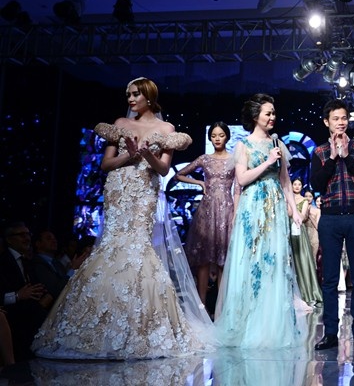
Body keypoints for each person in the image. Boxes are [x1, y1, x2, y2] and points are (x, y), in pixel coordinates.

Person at [31, 77, 216, 360]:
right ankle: (99, 325)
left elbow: (163, 169)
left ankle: (140, 327)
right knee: (111, 245)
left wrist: (146, 154)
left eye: (135, 94)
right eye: (128, 94)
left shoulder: (166, 130)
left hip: (144, 190)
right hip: (118, 189)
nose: (130, 99)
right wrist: (129, 155)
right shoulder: (120, 123)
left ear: (149, 97)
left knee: (137, 247)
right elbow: (106, 164)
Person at [213, 93, 308, 348]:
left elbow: (285, 182)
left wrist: (294, 210)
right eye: (268, 113)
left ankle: (270, 325)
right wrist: (267, 162)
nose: (273, 117)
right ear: (256, 116)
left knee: (274, 260)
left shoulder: (278, 144)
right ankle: (246, 324)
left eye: (274, 113)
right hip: (253, 206)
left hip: (275, 208)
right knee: (251, 260)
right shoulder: (243, 145)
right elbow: (242, 179)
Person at [311, 99, 354, 352]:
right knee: (329, 280)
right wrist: (332, 158)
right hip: (330, 219)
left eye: (344, 118)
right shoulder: (319, 152)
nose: (340, 122)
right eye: (335, 118)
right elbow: (316, 184)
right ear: (326, 122)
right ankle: (330, 333)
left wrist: (347, 157)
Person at [175, 121, 240, 307]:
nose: (217, 139)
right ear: (210, 138)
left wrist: (236, 211)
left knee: (222, 260)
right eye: (213, 136)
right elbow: (179, 174)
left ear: (227, 137)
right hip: (207, 210)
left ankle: (221, 307)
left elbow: (239, 187)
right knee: (203, 259)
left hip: (227, 210)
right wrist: (200, 183)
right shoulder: (204, 159)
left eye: (221, 135)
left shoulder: (234, 159)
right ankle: (201, 305)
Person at [0, 221, 49, 361]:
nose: (27, 238)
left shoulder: (27, 262)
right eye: (21, 235)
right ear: (9, 239)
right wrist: (17, 295)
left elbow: (35, 288)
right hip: (13, 322)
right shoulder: (2, 262)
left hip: (32, 319)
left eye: (28, 234)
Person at [289, 178, 322, 307]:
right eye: (295, 184)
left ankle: (306, 292)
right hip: (286, 229)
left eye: (299, 184)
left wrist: (292, 210)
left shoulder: (304, 201)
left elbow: (302, 217)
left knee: (301, 260)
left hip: (298, 232)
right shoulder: (287, 198)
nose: (297, 186)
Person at [31, 229, 89, 301]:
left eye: (54, 238)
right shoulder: (37, 264)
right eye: (49, 238)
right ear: (38, 243)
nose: (54, 241)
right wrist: (73, 269)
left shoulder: (56, 263)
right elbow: (55, 290)